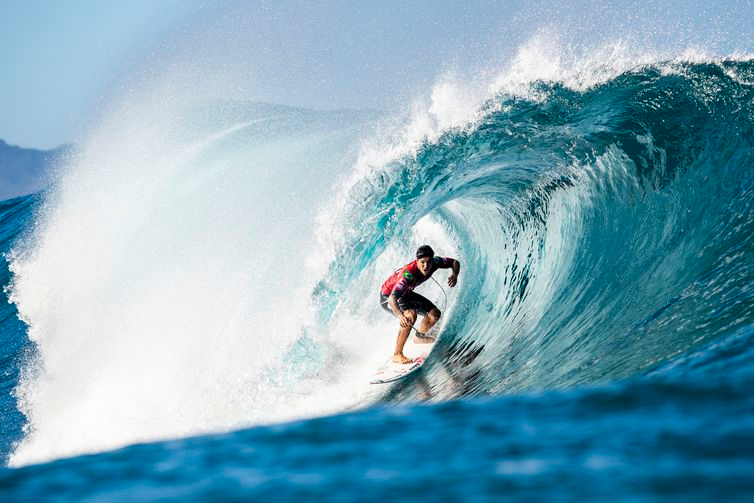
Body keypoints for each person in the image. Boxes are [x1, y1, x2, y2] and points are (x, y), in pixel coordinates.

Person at [379, 245, 461, 364]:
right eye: (422, 262)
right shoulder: (407, 275)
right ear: (417, 261)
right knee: (410, 316)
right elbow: (392, 298)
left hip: (406, 294)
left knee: (434, 314)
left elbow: (454, 262)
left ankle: (419, 337)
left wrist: (455, 275)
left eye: (428, 262)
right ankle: (397, 354)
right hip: (387, 297)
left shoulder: (436, 262)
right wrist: (401, 317)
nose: (426, 266)